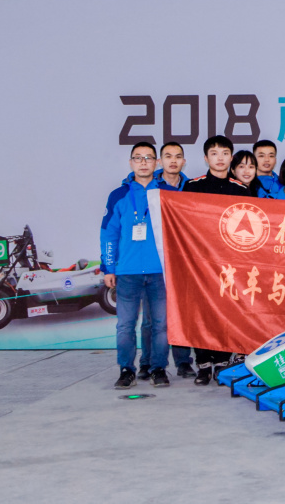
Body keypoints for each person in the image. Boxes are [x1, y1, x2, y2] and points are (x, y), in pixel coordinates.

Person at [184, 136, 253, 385]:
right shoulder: (193, 187)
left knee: (225, 311)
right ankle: (203, 364)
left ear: (231, 157)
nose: (220, 158)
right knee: (201, 313)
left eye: (225, 153)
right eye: (214, 153)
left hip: (229, 264)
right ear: (206, 158)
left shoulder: (241, 189)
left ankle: (222, 362)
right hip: (200, 263)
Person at [100, 142, 169, 389]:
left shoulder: (167, 193)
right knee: (125, 325)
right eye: (138, 158)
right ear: (131, 163)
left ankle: (158, 368)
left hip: (160, 272)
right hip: (127, 272)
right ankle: (126, 370)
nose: (143, 162)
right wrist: (108, 268)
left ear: (156, 163)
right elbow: (109, 234)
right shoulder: (118, 195)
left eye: (148, 158)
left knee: (161, 325)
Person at [148, 140, 194, 378]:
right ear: (160, 161)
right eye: (168, 156)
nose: (173, 161)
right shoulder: (151, 188)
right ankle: (152, 365)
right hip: (156, 260)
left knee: (182, 314)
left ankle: (183, 362)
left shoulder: (192, 188)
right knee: (155, 319)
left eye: (177, 156)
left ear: (184, 161)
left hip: (183, 260)